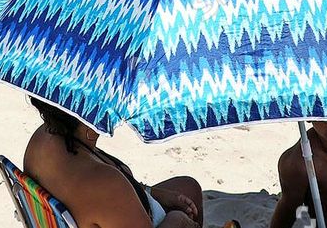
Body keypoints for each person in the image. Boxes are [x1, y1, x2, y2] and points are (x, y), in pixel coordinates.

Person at [26, 97, 205, 228]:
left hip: (104, 213)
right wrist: (176, 219)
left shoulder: (43, 138)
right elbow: (109, 194)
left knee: (189, 187)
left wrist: (153, 193)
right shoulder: (105, 182)